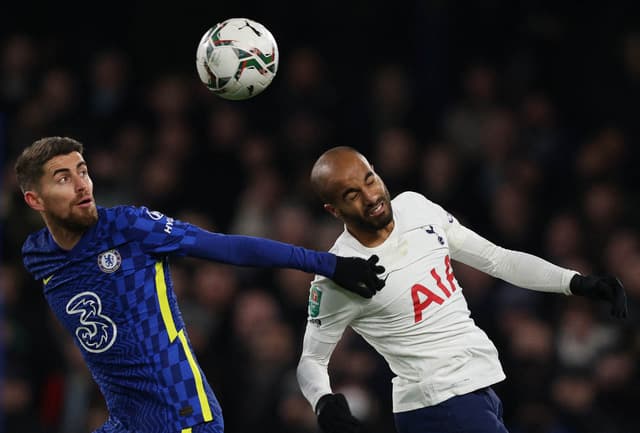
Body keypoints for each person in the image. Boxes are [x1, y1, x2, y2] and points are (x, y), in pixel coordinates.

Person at [15, 136, 386, 433]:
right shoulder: (39, 257)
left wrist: (329, 264)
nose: (82, 185)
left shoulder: (128, 228)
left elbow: (229, 247)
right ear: (35, 199)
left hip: (181, 416)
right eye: (63, 178)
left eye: (83, 171)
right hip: (127, 423)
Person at [296, 146, 628, 433]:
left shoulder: (415, 207)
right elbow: (312, 358)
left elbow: (497, 260)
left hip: (476, 390)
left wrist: (575, 282)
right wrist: (323, 401)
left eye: (369, 179)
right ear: (333, 210)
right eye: (351, 195)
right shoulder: (339, 273)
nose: (370, 197)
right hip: (438, 404)